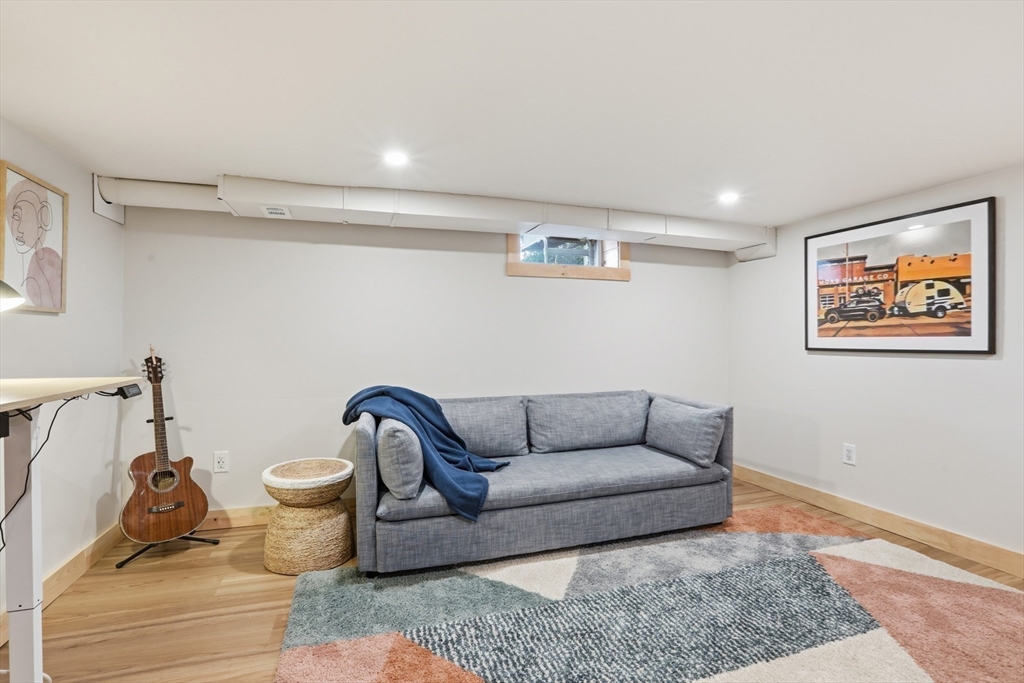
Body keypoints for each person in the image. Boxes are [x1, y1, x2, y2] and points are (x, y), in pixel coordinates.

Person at [5, 177, 61, 308]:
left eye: (27, 218)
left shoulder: (47, 261)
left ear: (43, 218)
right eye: (17, 217)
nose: (19, 229)